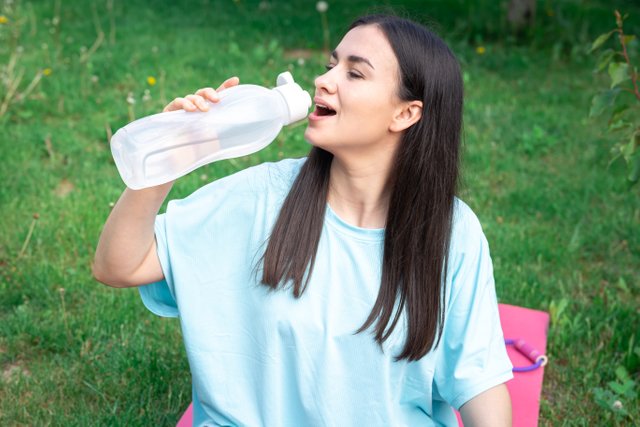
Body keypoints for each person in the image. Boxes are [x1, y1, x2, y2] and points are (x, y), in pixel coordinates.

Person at [94, 14, 513, 426]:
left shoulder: (451, 231)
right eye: (332, 65)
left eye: (355, 73)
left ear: (405, 114)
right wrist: (164, 162)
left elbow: (479, 382)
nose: (324, 80)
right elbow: (118, 265)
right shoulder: (263, 197)